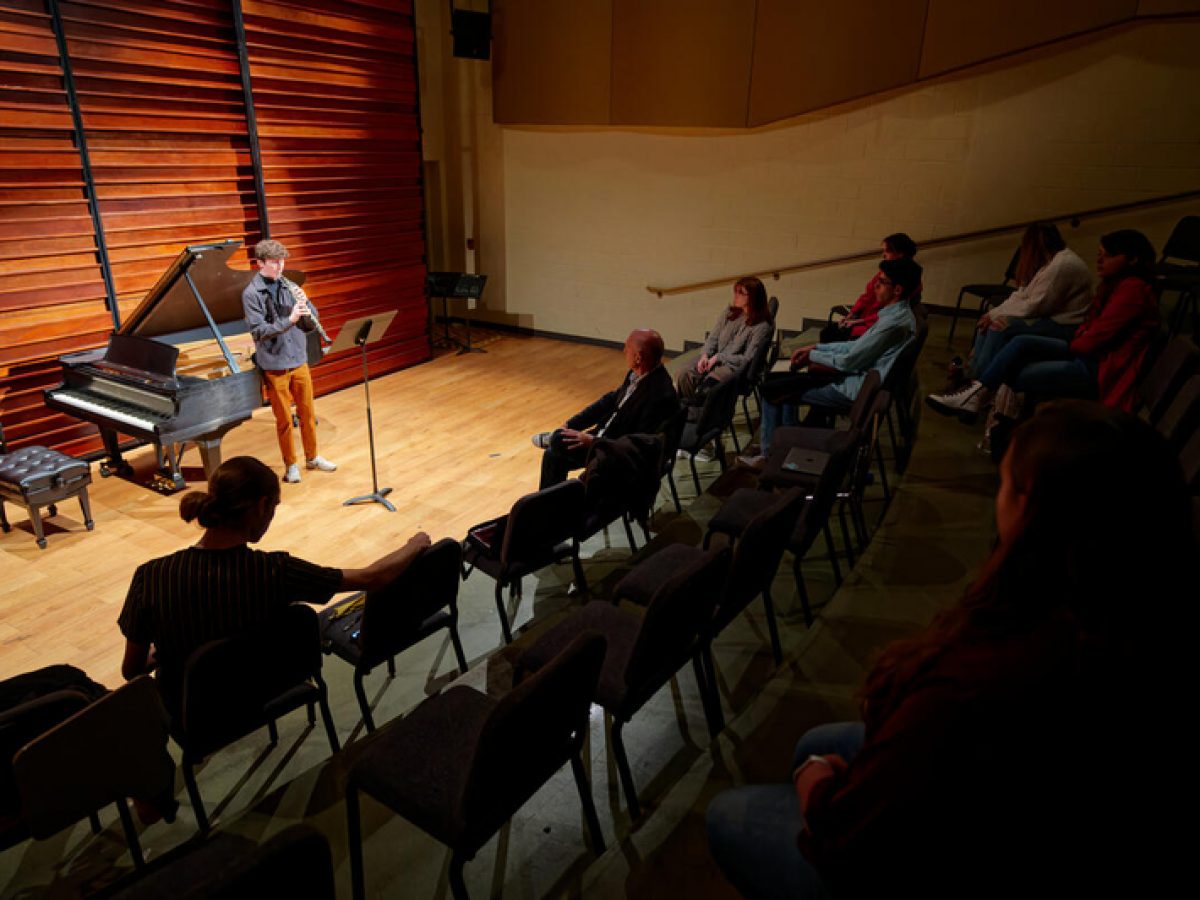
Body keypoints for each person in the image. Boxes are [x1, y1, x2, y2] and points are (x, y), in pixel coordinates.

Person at [706, 400, 1191, 899]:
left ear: (1031, 515)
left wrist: (819, 781)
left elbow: (843, 839)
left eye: (1004, 484)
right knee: (817, 739)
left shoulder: (973, 684)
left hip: (929, 848)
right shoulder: (1132, 626)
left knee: (735, 809)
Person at [118, 456, 431, 715]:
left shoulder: (150, 577)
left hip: (192, 714)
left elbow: (131, 670)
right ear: (261, 506)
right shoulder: (275, 571)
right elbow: (371, 578)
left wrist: (174, 649)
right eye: (274, 508)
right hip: (261, 692)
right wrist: (415, 544)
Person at [927, 229, 1160, 420]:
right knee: (1017, 341)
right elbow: (1090, 324)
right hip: (1086, 351)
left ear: (1133, 259)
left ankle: (973, 393)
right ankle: (973, 394)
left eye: (1108, 255)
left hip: (1097, 366)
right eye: (1100, 253)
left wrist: (1081, 339)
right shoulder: (1112, 285)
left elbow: (1095, 335)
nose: (1100, 260)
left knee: (1012, 368)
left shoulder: (1133, 291)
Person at [739, 257, 921, 468]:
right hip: (856, 378)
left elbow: (850, 360)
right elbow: (855, 347)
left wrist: (812, 356)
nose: (876, 287)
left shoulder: (894, 324)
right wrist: (815, 349)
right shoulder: (896, 316)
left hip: (852, 388)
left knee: (773, 390)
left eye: (881, 282)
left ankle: (770, 455)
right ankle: (778, 445)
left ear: (897, 290)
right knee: (780, 383)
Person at [531, 328, 678, 488]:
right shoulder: (639, 374)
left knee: (554, 453)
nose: (623, 351)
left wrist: (592, 441)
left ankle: (553, 506)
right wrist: (572, 424)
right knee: (555, 451)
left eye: (627, 348)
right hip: (605, 436)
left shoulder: (658, 395)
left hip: (615, 453)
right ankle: (551, 507)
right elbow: (607, 402)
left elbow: (634, 444)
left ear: (638, 357)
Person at [241, 239, 337, 484]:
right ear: (260, 263)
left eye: (282, 261)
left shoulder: (289, 285)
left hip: (298, 359)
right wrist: (291, 319)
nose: (280, 266)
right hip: (274, 365)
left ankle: (313, 457)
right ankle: (291, 464)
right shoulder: (252, 294)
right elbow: (259, 331)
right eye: (274, 262)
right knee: (284, 420)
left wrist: (307, 308)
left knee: (307, 412)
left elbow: (307, 323)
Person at [961, 222, 1092, 379]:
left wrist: (995, 316)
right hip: (1049, 319)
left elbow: (1034, 307)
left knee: (998, 325)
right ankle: (972, 374)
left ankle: (979, 381)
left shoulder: (1062, 265)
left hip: (1065, 327)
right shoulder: (1049, 262)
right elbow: (1021, 295)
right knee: (989, 321)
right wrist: (992, 313)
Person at [675, 276, 774, 409]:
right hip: (714, 357)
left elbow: (748, 359)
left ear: (753, 297)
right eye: (735, 291)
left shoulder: (762, 325)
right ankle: (690, 410)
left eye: (740, 293)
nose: (735, 296)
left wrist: (719, 358)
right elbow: (713, 337)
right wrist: (705, 355)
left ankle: (701, 414)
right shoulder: (730, 312)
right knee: (683, 373)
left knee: (710, 385)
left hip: (734, 366)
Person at [820, 232, 918, 342]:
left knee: (829, 336)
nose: (883, 255)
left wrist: (859, 322)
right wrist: (851, 315)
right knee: (828, 332)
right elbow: (867, 296)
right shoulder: (884, 273)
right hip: (866, 319)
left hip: (874, 324)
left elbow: (888, 314)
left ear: (900, 254)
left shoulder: (908, 280)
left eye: (887, 251)